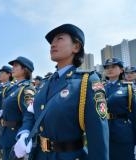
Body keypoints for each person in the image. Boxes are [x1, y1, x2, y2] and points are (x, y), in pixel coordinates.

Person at [14, 24, 109, 160]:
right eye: (51, 42)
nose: (52, 44)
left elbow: (98, 135)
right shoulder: (46, 82)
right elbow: (31, 111)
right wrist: (24, 132)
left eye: (59, 39)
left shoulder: (86, 81)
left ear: (76, 47)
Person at [0, 57, 35, 160]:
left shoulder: (26, 89)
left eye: (16, 66)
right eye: (12, 66)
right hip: (7, 132)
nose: (12, 68)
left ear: (24, 69)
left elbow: (29, 115)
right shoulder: (14, 88)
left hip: (15, 135)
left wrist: (24, 136)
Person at [103, 58, 136, 160]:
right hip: (103, 131)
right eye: (107, 67)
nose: (110, 69)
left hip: (122, 132)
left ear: (121, 70)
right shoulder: (99, 87)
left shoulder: (128, 88)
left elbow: (134, 114)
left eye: (113, 67)